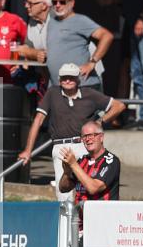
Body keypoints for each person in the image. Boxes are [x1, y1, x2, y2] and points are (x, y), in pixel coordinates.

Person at [19, 63, 126, 201]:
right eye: (64, 78)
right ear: (59, 79)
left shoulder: (89, 94)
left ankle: (86, 220)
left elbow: (119, 106)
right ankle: (68, 223)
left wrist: (100, 122)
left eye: (71, 77)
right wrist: (28, 150)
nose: (67, 80)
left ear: (78, 79)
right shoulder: (52, 93)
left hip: (84, 145)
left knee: (88, 188)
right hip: (61, 147)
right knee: (64, 194)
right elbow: (38, 120)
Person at [43, 0, 113, 92]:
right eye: (54, 1)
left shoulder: (80, 20)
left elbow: (107, 36)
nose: (57, 5)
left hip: (81, 86)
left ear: (72, 3)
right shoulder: (52, 22)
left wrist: (92, 62)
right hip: (57, 86)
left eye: (62, 2)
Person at [59, 121, 121, 208]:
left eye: (91, 135)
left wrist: (73, 164)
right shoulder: (81, 161)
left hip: (102, 216)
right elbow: (63, 188)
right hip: (79, 217)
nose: (88, 139)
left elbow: (93, 188)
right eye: (84, 136)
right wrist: (67, 172)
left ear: (101, 137)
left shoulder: (111, 161)